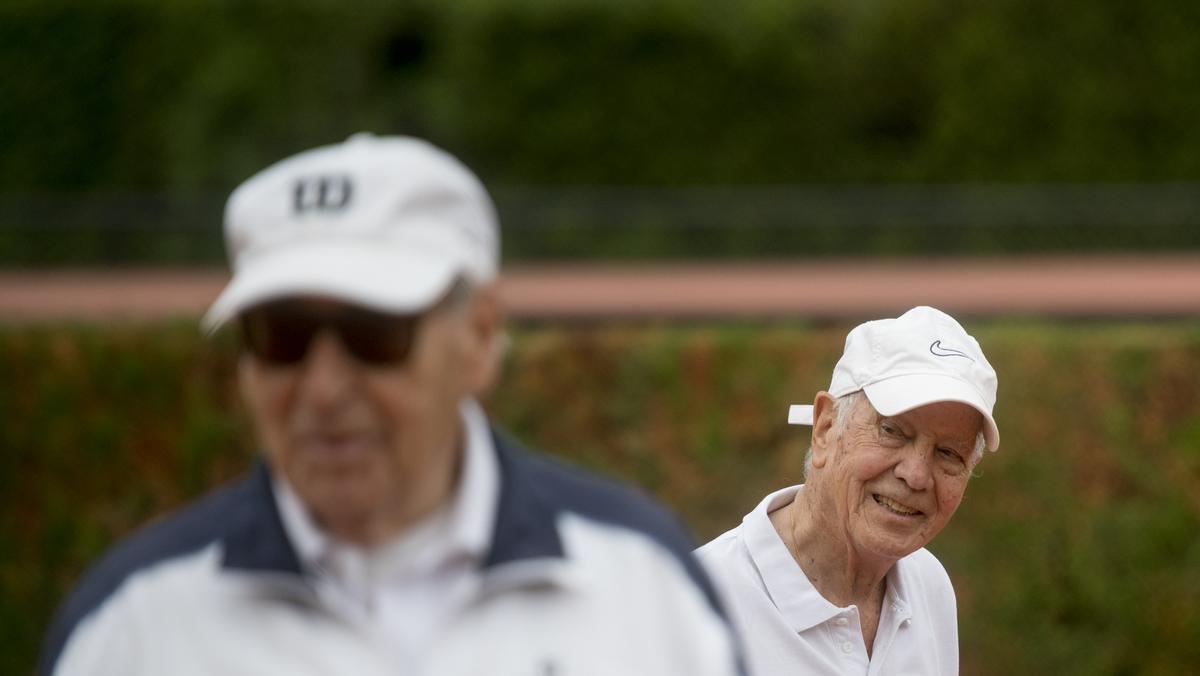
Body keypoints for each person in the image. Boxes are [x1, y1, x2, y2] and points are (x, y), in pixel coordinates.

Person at [40, 133, 743, 676]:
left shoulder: (644, 588)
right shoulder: (132, 627)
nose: (322, 389)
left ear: (480, 335)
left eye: (373, 333)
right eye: (281, 336)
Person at [697, 306, 1000, 675]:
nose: (916, 475)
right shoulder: (690, 604)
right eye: (892, 431)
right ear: (825, 427)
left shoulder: (928, 585)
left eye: (949, 453)